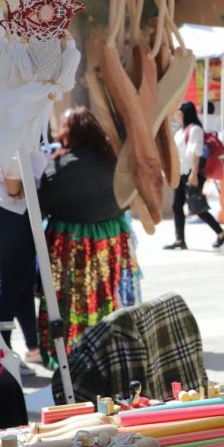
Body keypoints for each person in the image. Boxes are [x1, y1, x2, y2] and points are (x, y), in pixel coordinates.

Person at [37, 108, 139, 367]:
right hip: (108, 240)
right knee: (105, 296)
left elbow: (42, 204)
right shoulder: (114, 160)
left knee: (69, 300)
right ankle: (104, 347)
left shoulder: (59, 168)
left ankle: (68, 354)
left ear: (69, 133)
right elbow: (125, 199)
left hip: (71, 243)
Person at [0, 149, 47, 366]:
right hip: (10, 211)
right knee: (12, 287)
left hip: (0, 210)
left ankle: (31, 349)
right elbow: (13, 174)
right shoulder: (13, 134)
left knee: (22, 285)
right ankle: (2, 354)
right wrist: (17, 189)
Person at [165, 101, 224, 250]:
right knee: (177, 206)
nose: (176, 114)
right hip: (181, 173)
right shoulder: (180, 131)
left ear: (185, 113)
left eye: (178, 111)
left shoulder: (195, 130)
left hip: (192, 173)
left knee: (196, 206)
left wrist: (194, 174)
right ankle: (180, 239)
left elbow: (196, 153)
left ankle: (220, 232)